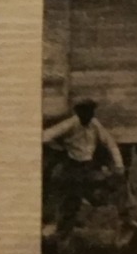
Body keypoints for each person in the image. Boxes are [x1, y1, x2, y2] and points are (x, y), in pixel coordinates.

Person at [42, 98, 125, 240]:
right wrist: (59, 147)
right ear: (78, 113)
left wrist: (119, 166)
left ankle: (95, 229)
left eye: (91, 112)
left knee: (100, 194)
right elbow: (45, 136)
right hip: (72, 166)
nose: (88, 116)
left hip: (88, 165)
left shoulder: (94, 124)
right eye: (85, 113)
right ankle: (63, 238)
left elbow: (110, 143)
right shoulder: (70, 124)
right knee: (70, 202)